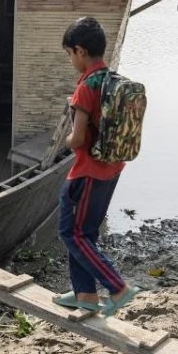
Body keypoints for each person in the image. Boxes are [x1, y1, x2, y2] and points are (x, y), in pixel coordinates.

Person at [54, 17, 139, 316]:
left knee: (71, 233)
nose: (70, 60)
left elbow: (77, 139)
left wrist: (64, 141)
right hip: (111, 169)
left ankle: (117, 287)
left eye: (70, 54)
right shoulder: (110, 80)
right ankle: (86, 295)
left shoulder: (85, 88)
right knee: (85, 233)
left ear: (80, 51)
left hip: (86, 172)